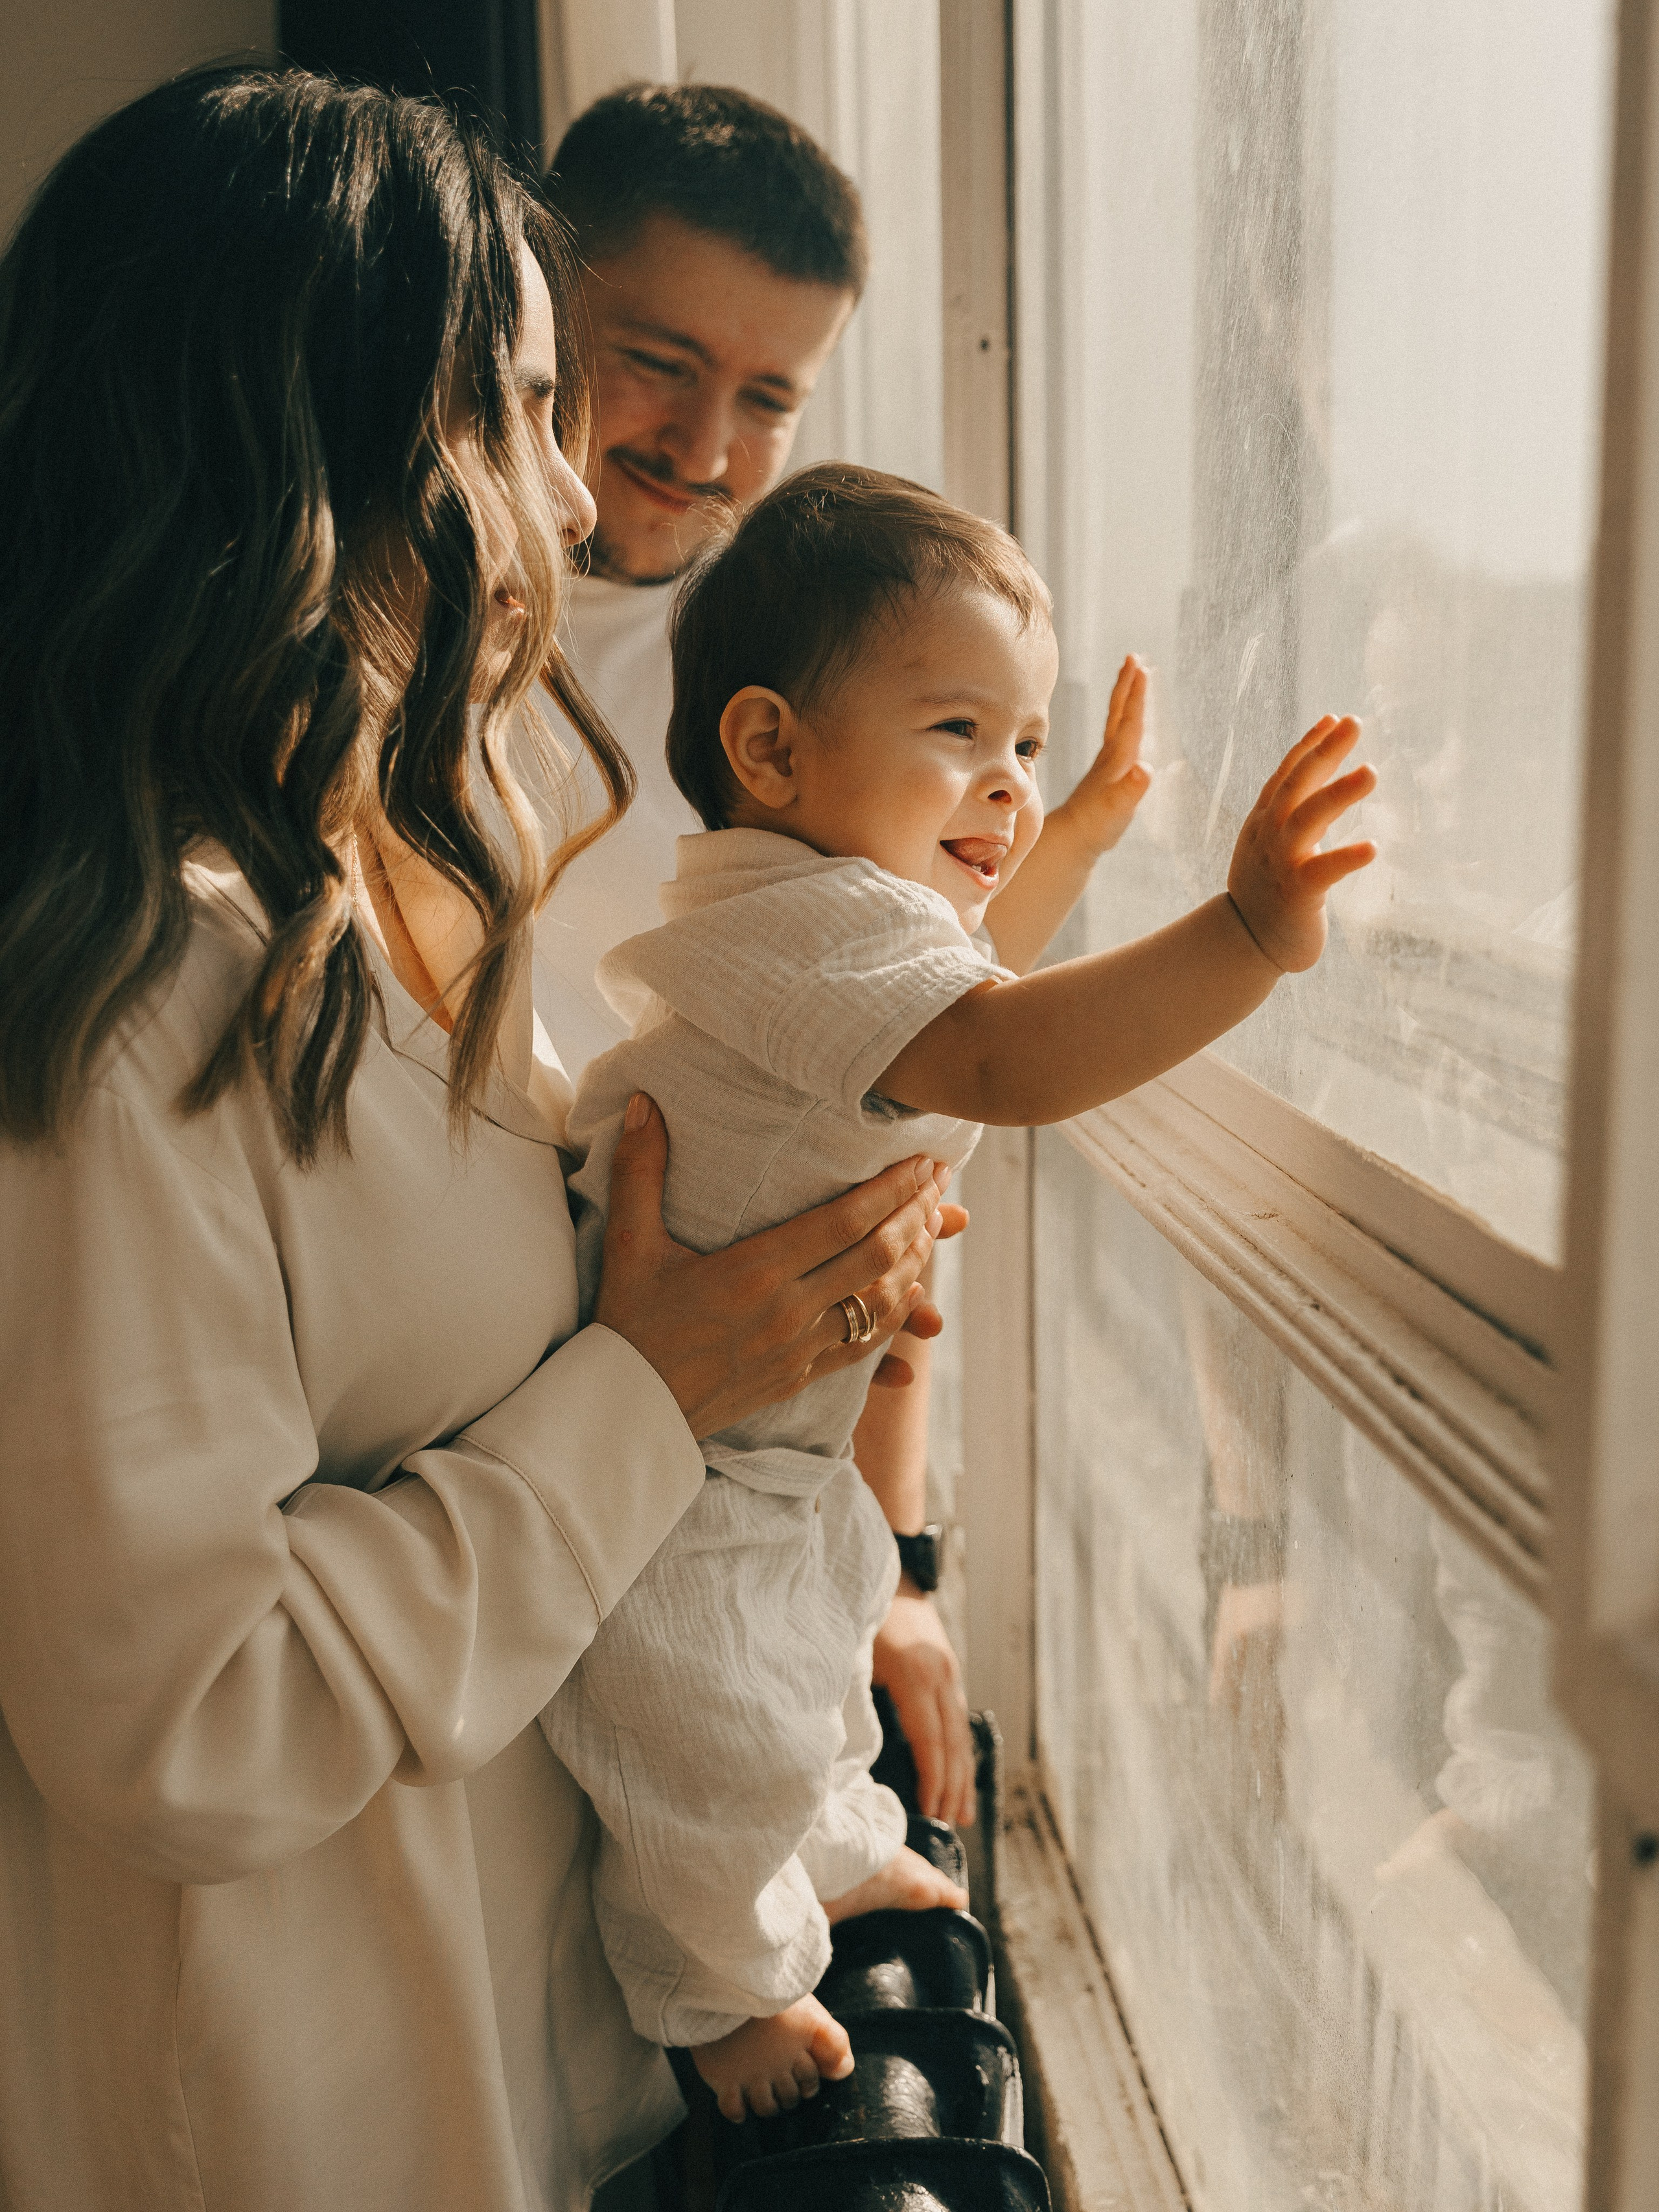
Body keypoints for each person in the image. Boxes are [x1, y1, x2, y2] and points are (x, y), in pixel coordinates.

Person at [0, 73, 959, 2212]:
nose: (575, 483)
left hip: (533, 2064)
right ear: (319, 440)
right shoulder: (122, 1008)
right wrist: (658, 1385)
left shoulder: (392, 864)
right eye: (531, 405)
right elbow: (186, 1720)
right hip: (302, 2125)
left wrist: (782, 1338)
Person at [544, 464, 1378, 2119]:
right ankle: (711, 1987)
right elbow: (1001, 1048)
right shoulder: (812, 930)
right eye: (957, 733)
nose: (1006, 781)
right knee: (696, 1710)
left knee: (800, 1662)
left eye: (1028, 743)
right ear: (770, 750)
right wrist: (1238, 931)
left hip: (761, 1435)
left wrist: (1075, 834)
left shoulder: (830, 915)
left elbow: (963, 977)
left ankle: (828, 1844)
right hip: (686, 1458)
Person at [533, 85, 1151, 1823]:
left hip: (740, 1456)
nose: (704, 446)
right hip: (515, 1441)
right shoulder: (422, 646)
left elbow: (892, 1113)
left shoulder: (833, 673)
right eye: (656, 363)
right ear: (541, 303)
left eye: (771, 398)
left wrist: (902, 1558)